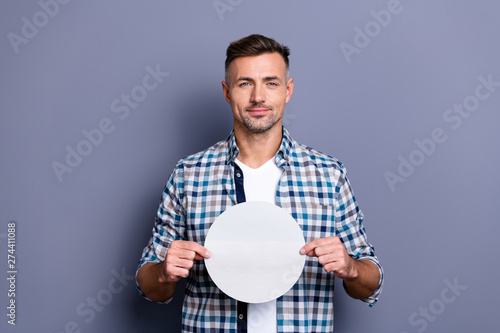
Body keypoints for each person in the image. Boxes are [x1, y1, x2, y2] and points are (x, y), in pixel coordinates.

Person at [136, 34, 384, 332]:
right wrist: (164, 272)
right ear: (227, 92)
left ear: (287, 90)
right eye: (245, 83)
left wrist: (351, 268)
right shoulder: (189, 175)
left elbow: (369, 284)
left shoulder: (328, 175)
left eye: (271, 82)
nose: (258, 97)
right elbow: (150, 287)